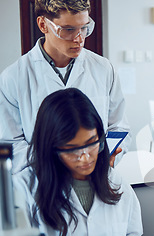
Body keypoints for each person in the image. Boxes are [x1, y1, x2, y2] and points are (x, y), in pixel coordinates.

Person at [14, 88, 154, 236]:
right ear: (50, 148)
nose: (85, 158)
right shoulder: (21, 190)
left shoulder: (115, 182)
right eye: (73, 149)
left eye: (92, 143)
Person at [0, 0, 129, 174]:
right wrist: (61, 160)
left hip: (95, 178)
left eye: (84, 28)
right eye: (68, 30)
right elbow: (11, 144)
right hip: (43, 183)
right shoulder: (13, 77)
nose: (79, 38)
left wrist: (108, 155)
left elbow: (118, 126)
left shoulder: (104, 69)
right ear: (43, 24)